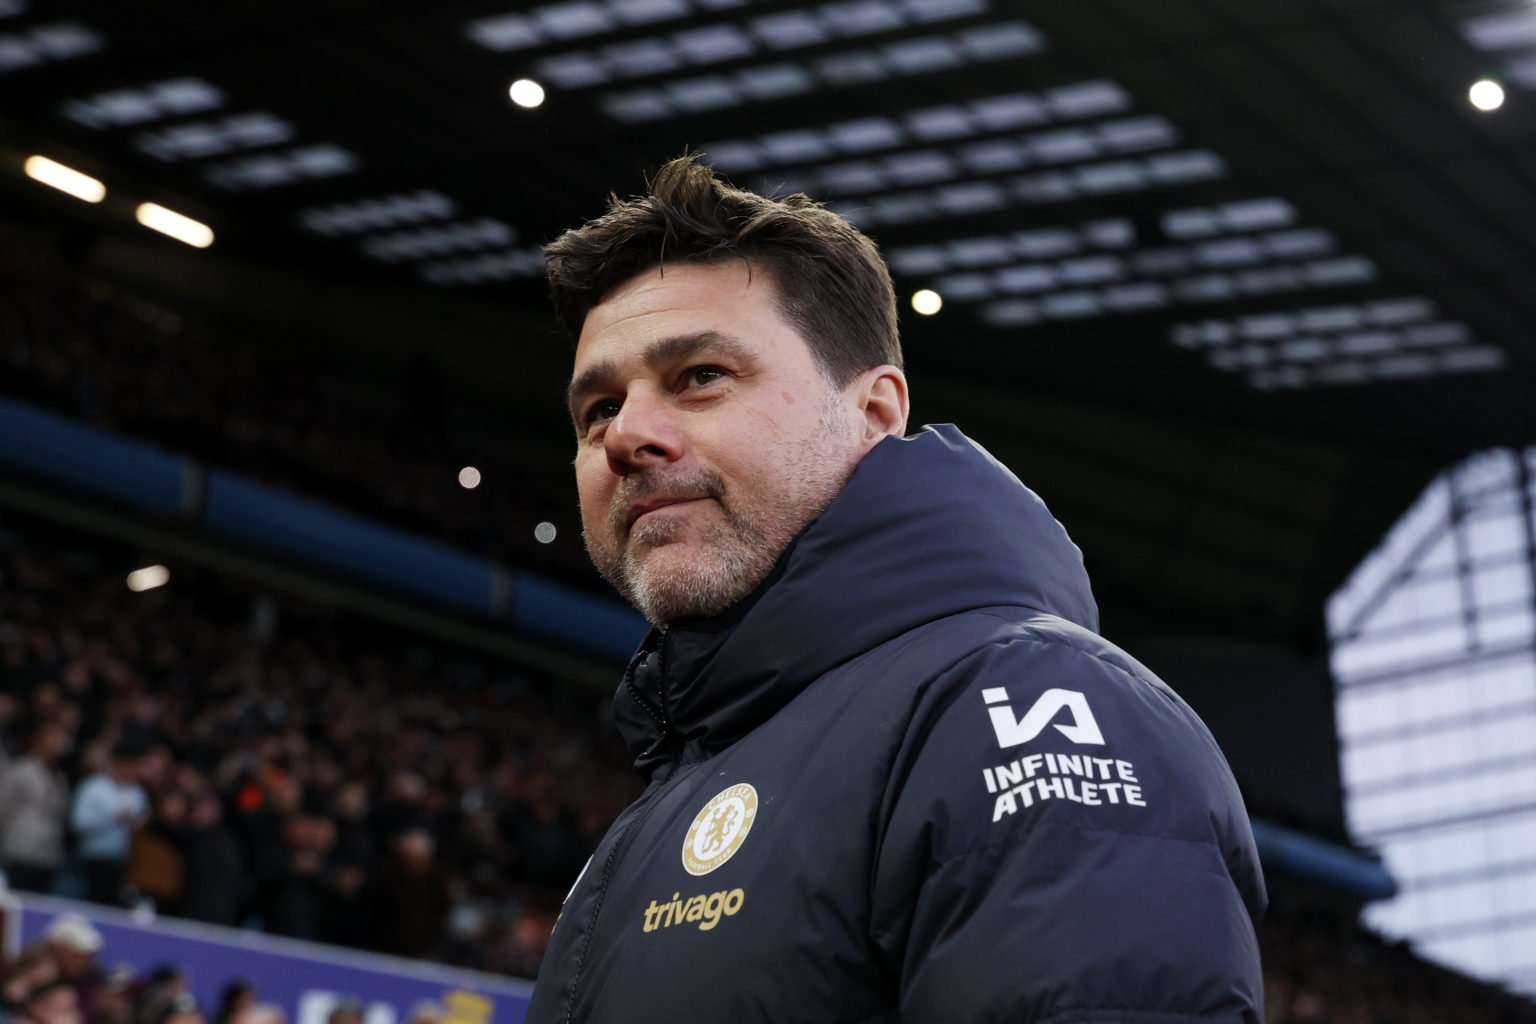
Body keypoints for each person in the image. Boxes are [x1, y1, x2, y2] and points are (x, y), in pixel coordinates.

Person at [524, 155, 1266, 1023]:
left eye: (700, 377)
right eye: (598, 409)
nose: (627, 437)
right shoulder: (679, 780)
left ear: (875, 413)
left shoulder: (1026, 700)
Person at [0, 722, 72, 894]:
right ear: (38, 741)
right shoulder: (19, 770)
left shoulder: (60, 778)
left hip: (48, 855)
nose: (58, 744)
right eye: (53, 737)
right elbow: (3, 807)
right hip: (19, 851)